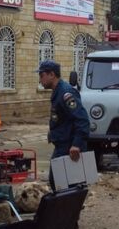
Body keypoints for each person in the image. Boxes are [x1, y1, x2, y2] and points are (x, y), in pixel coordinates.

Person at [37, 60, 89, 191]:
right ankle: (67, 210)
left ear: (51, 75)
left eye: (41, 75)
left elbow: (82, 119)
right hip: (62, 144)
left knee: (65, 183)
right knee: (59, 182)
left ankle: (69, 210)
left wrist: (77, 144)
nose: (40, 80)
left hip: (69, 146)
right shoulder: (57, 92)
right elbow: (62, 119)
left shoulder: (66, 93)